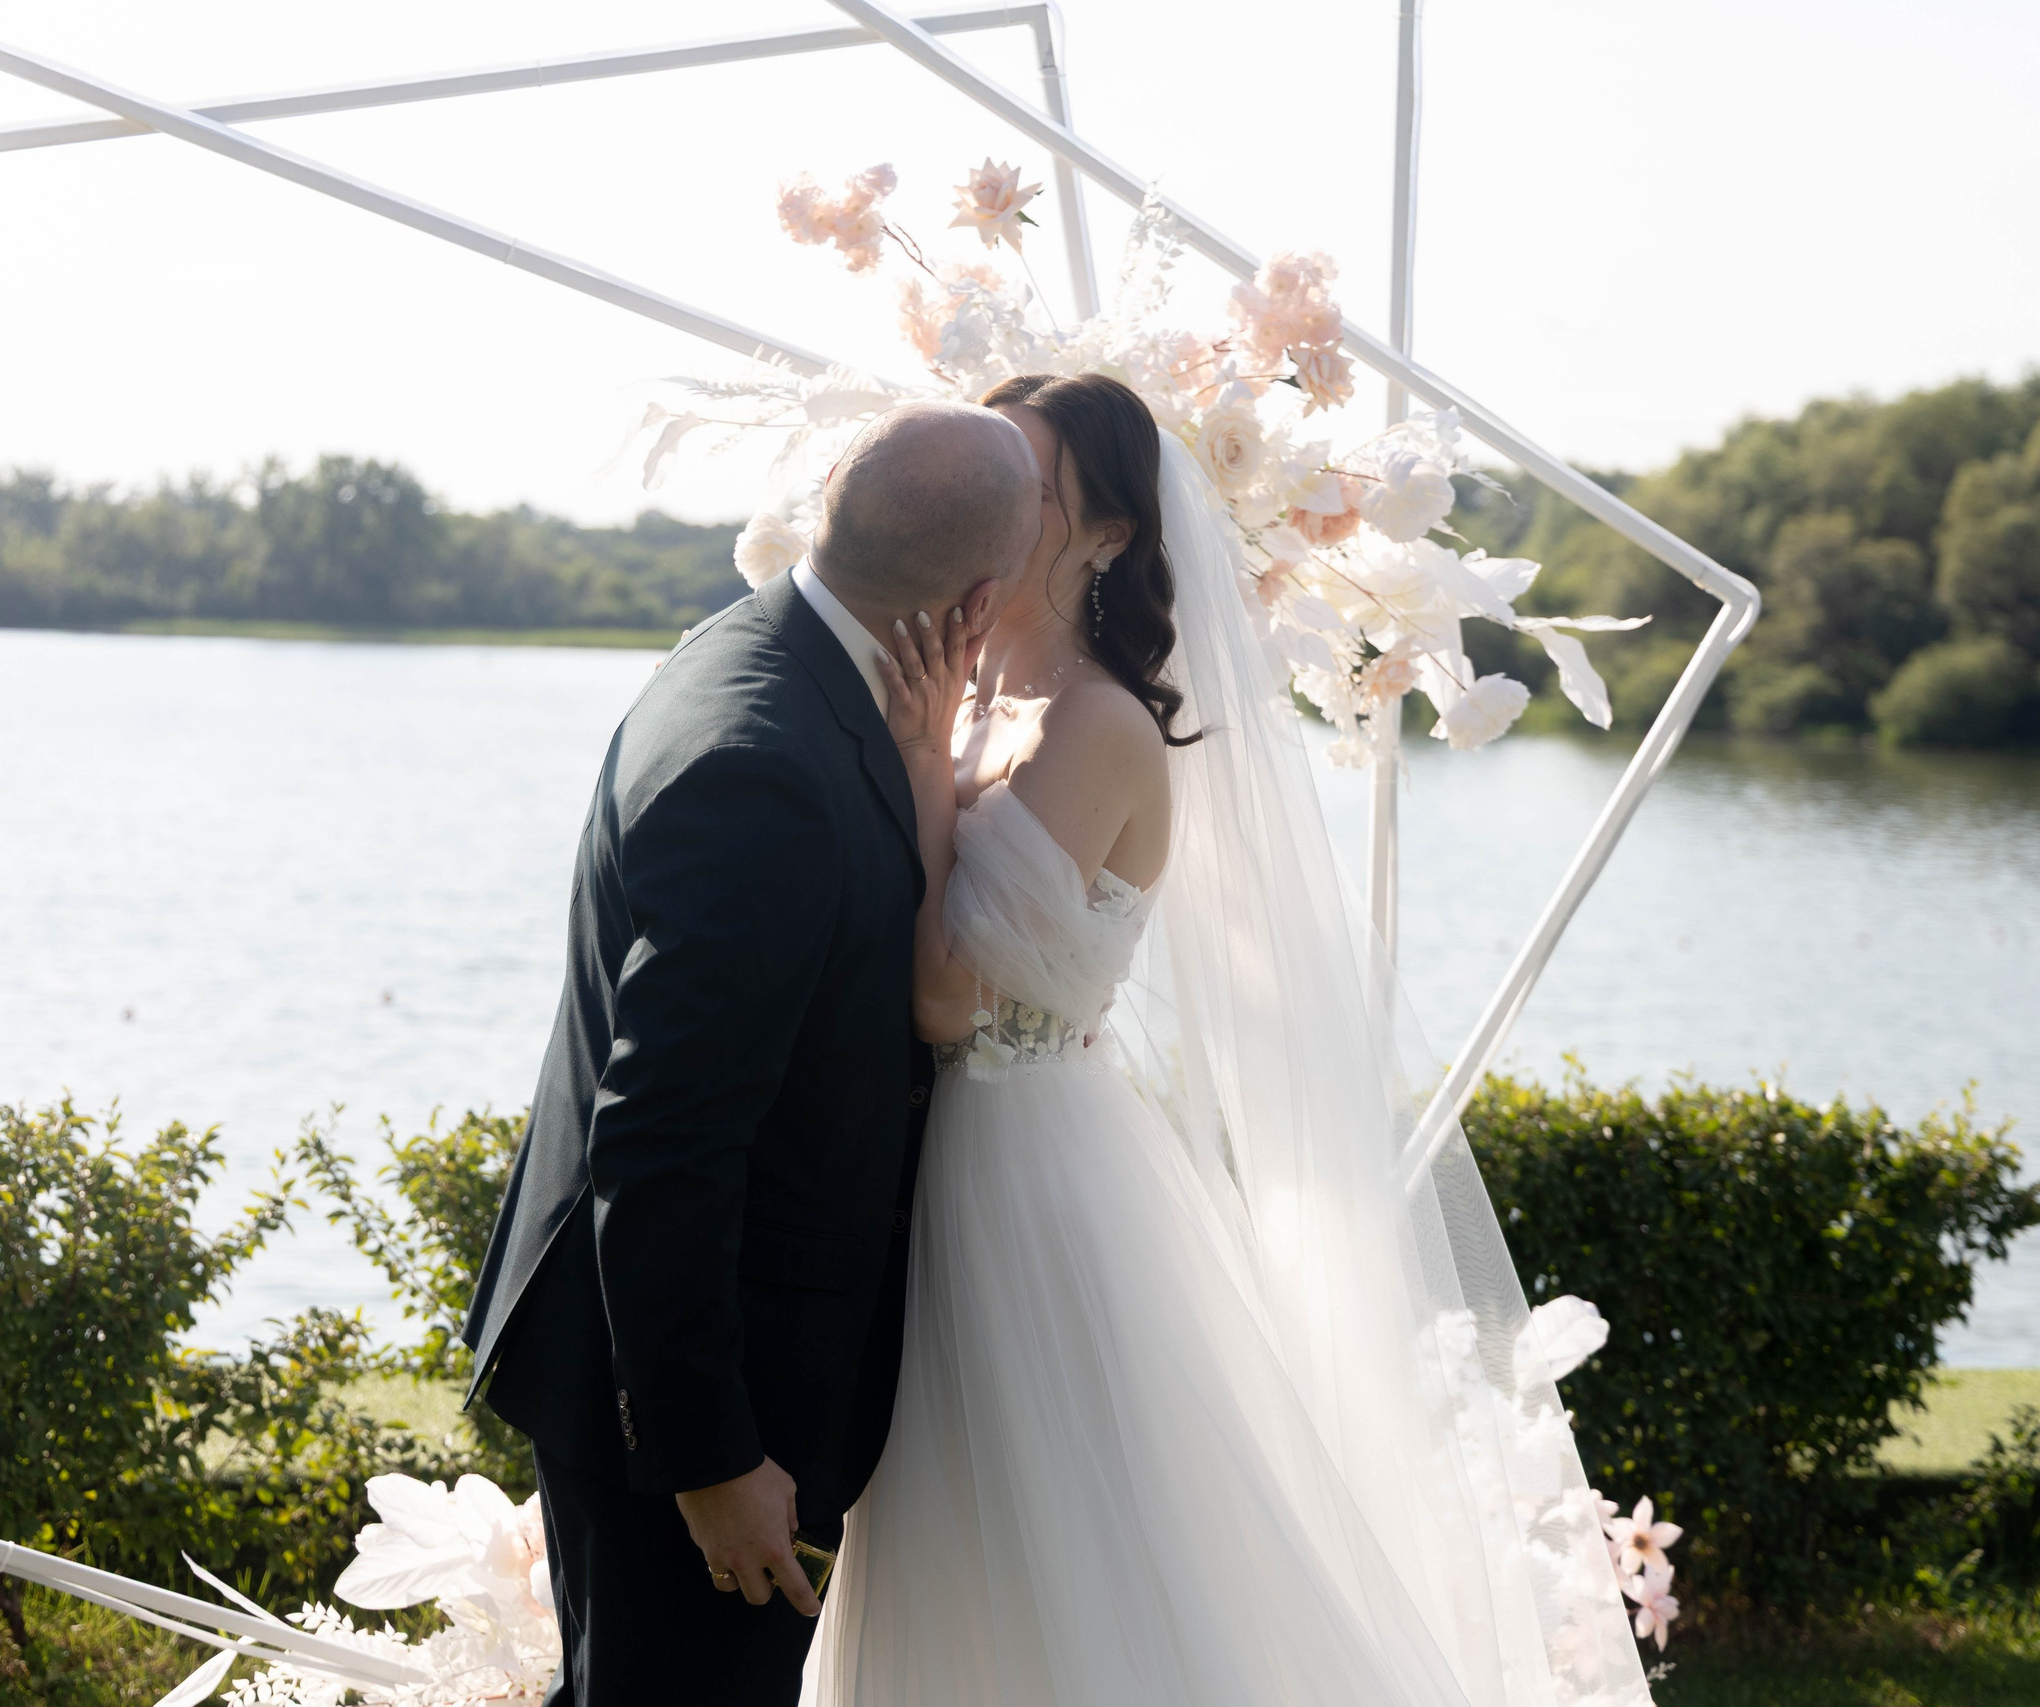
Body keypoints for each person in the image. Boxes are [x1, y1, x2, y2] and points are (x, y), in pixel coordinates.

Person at [803, 373, 1654, 1705]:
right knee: (956, 1558)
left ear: (1108, 536)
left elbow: (946, 998)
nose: (998, 508)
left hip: (1030, 1176)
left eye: (1029, 485)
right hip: (951, 1166)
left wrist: (917, 767)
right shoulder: (967, 698)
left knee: (1085, 1570)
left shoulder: (1097, 723)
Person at [458, 399, 1041, 1706]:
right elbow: (662, 1134)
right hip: (691, 1403)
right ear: (986, 595)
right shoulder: (766, 770)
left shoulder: (753, 649)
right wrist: (710, 1456)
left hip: (695, 1363)